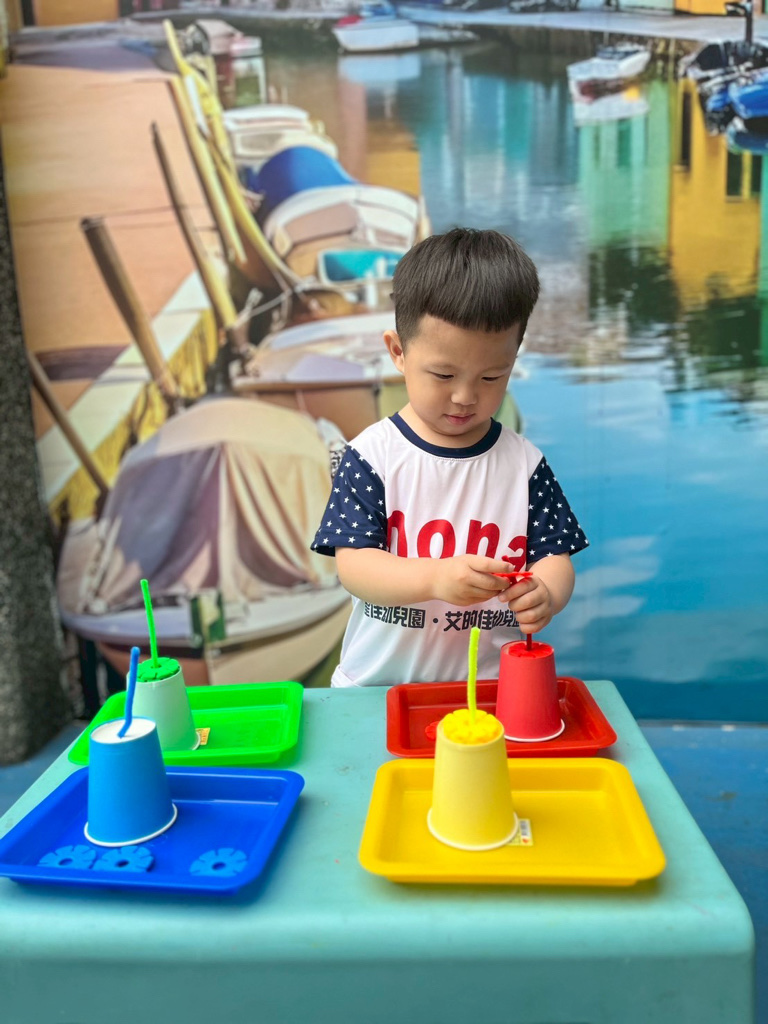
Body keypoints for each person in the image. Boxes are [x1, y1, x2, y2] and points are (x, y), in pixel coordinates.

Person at [311, 227, 588, 687]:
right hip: (377, 689)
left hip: (493, 692)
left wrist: (547, 593)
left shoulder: (524, 465)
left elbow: (554, 556)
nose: (464, 396)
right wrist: (435, 579)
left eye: (491, 377)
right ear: (398, 352)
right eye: (443, 374)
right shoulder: (371, 456)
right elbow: (354, 566)